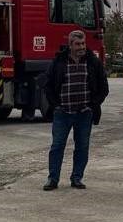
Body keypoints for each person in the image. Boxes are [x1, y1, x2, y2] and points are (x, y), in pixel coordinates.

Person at [42, 29, 109, 190]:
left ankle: (77, 177)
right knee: (57, 146)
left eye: (83, 43)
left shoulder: (93, 62)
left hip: (84, 114)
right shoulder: (59, 62)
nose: (81, 47)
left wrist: (93, 105)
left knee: (82, 147)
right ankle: (53, 179)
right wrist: (56, 105)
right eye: (77, 44)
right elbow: (47, 84)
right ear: (70, 45)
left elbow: (103, 87)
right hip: (63, 113)